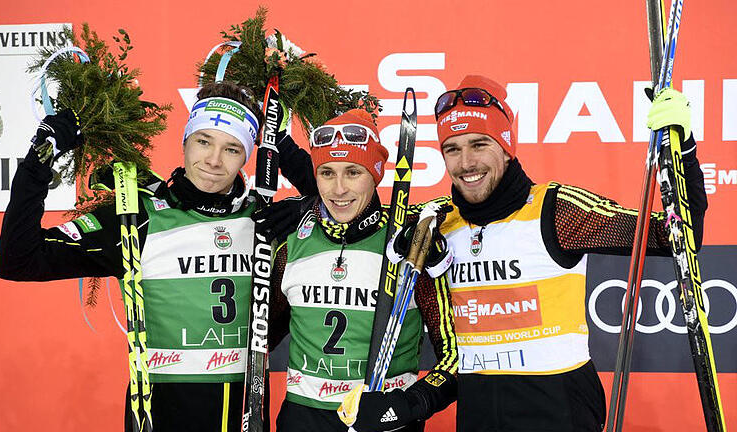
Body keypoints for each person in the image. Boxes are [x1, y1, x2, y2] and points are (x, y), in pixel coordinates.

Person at [0, 81, 282, 431]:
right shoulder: (136, 216)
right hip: (160, 417)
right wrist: (40, 158)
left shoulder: (267, 221)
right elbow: (17, 259)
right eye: (203, 141)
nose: (213, 160)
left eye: (232, 149)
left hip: (244, 417)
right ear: (185, 141)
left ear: (247, 156)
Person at [432, 75, 706, 432]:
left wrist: (682, 151)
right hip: (478, 414)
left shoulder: (556, 210)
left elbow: (676, 235)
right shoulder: (439, 225)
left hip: (558, 410)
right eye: (452, 149)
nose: (466, 162)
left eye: (479, 144)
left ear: (507, 146)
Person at [259, 109, 458, 431]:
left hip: (381, 416)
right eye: (326, 173)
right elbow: (261, 336)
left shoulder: (410, 242)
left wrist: (408, 404)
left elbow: (455, 354)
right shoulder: (292, 243)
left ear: (375, 175)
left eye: (353, 172)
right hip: (303, 417)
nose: (338, 189)